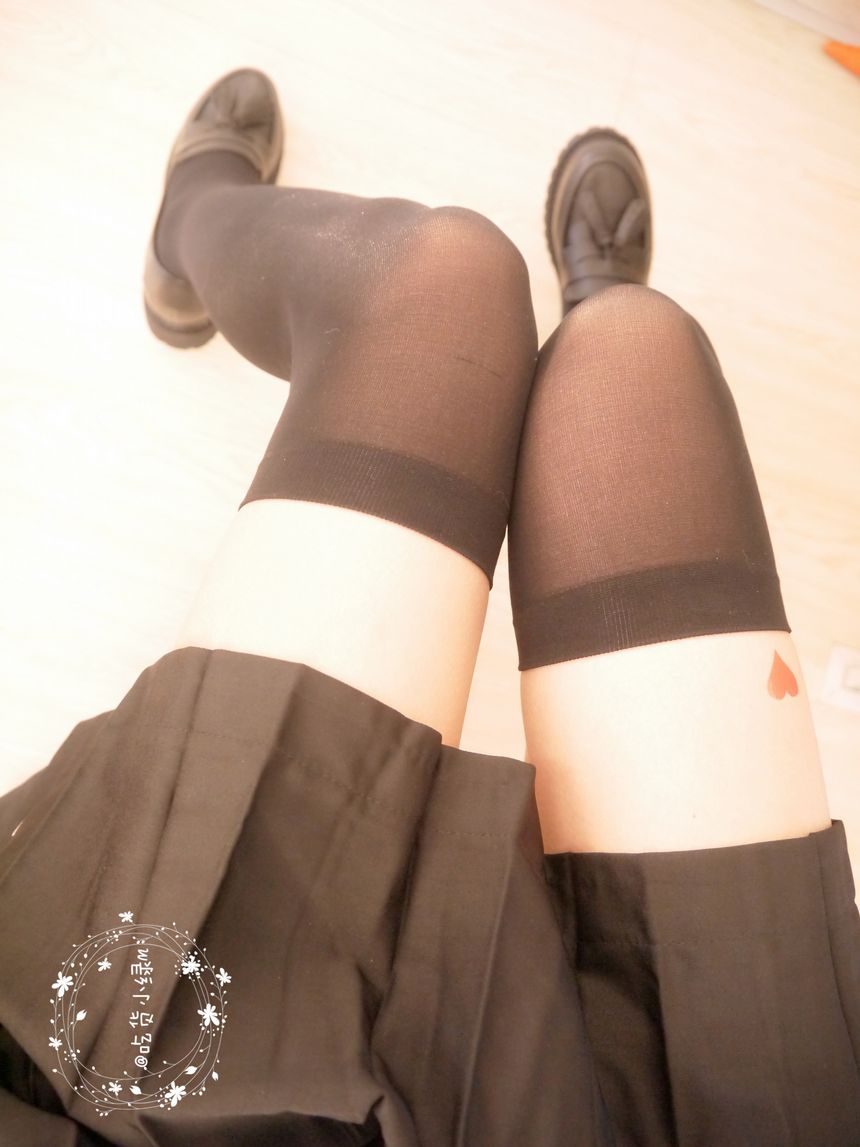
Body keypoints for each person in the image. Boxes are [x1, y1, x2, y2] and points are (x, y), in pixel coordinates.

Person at [0, 66, 858, 1147]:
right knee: (634, 361)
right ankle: (567, 372)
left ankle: (192, 221)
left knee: (442, 283)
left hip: (168, 1093)